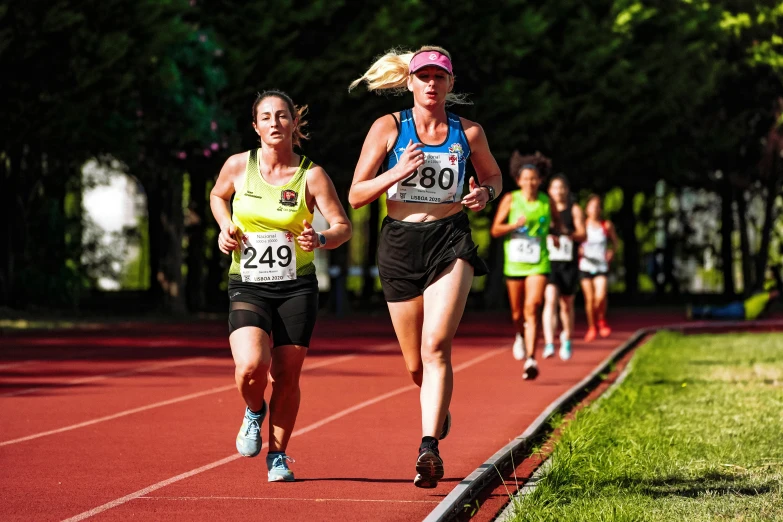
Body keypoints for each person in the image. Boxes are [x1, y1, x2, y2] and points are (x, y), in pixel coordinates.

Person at [348, 46, 502, 489]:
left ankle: (428, 446)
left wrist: (484, 196)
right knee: (416, 365)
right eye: (423, 77)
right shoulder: (388, 128)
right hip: (398, 244)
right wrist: (396, 172)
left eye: (440, 77)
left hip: (449, 240)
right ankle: (437, 404)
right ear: (409, 82)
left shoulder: (468, 132)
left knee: (437, 347)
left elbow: (492, 177)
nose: (431, 84)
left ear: (451, 84)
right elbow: (357, 194)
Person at [209, 90, 351, 482]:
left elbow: (343, 227)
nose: (275, 123)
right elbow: (218, 196)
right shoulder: (239, 166)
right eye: (266, 117)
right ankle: (254, 410)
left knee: (287, 375)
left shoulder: (312, 174)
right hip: (249, 282)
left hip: (296, 286)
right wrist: (225, 228)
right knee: (252, 366)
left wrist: (320, 239)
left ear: (293, 124)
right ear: (255, 126)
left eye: (282, 116)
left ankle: (278, 455)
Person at [490, 152, 561, 380]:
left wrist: (556, 234)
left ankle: (531, 359)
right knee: (517, 312)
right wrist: (513, 225)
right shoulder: (511, 199)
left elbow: (557, 224)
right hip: (515, 263)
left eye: (534, 179)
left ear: (540, 181)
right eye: (526, 179)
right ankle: (520, 335)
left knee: (534, 306)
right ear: (518, 180)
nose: (530, 182)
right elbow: (495, 230)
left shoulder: (546, 201)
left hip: (538, 262)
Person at [542, 174, 585, 361]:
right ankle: (549, 342)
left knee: (566, 305)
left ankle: (567, 337)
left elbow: (583, 234)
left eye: (562, 188)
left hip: (568, 262)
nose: (558, 191)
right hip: (550, 262)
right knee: (550, 300)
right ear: (550, 191)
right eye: (555, 188)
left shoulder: (574, 209)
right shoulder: (545, 209)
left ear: (566, 191)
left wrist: (569, 234)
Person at [579, 194, 618, 342]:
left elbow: (615, 242)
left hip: (601, 265)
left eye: (597, 207)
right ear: (587, 209)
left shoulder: (606, 225)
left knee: (600, 296)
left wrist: (611, 252)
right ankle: (592, 327)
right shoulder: (582, 225)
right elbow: (575, 240)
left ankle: (601, 319)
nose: (594, 210)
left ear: (600, 209)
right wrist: (578, 250)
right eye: (592, 207)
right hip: (585, 266)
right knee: (589, 300)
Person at [687, 268, 782, 321]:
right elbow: (773, 294)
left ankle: (696, 313)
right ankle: (695, 312)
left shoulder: (763, 302)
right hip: (741, 310)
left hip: (741, 309)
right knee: (718, 313)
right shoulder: (764, 297)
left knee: (718, 313)